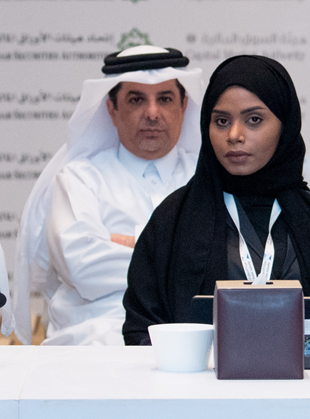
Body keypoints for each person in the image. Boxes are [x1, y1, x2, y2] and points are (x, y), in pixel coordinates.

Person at [122, 54, 310, 346]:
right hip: (201, 377)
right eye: (221, 121)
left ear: (284, 125)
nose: (234, 135)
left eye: (254, 120)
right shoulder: (172, 221)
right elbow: (141, 331)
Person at [6, 46, 202, 346]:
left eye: (164, 99)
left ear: (184, 106)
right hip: (94, 344)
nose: (152, 113)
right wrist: (182, 257)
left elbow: (226, 265)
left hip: (194, 343)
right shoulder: (79, 179)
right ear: (112, 109)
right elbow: (83, 268)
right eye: (136, 100)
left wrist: (125, 242)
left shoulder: (206, 180)